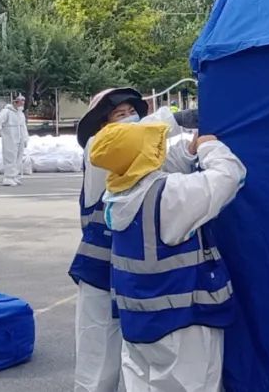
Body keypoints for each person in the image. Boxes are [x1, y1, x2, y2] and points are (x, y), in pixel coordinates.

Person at [89, 114, 246, 392]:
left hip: (138, 326)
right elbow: (229, 176)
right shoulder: (168, 196)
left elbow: (153, 174)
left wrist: (189, 151)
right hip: (183, 326)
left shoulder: (117, 197)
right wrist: (210, 147)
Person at [70, 87, 149, 392]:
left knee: (140, 354)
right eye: (120, 114)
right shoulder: (97, 148)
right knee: (97, 354)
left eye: (132, 112)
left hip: (136, 269)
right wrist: (175, 119)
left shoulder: (146, 157)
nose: (130, 119)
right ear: (103, 124)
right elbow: (123, 139)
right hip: (99, 267)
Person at [0, 94, 30, 187]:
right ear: (15, 102)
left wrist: (25, 138)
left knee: (18, 158)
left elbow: (23, 127)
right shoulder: (6, 111)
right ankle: (8, 178)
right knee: (10, 158)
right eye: (20, 101)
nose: (22, 103)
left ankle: (14, 176)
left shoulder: (20, 114)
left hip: (19, 138)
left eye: (23, 101)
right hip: (9, 138)